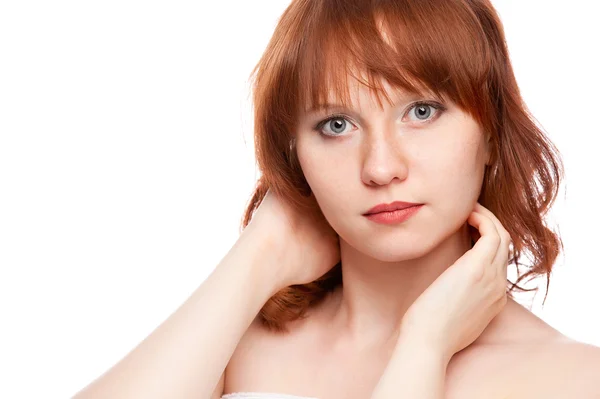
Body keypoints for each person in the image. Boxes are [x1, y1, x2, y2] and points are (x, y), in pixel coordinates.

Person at [73, 1, 600, 398]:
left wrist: (425, 343)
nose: (380, 168)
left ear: (490, 133)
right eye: (336, 124)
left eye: (421, 112)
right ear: (296, 152)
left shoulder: (574, 379)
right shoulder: (233, 347)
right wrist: (259, 253)